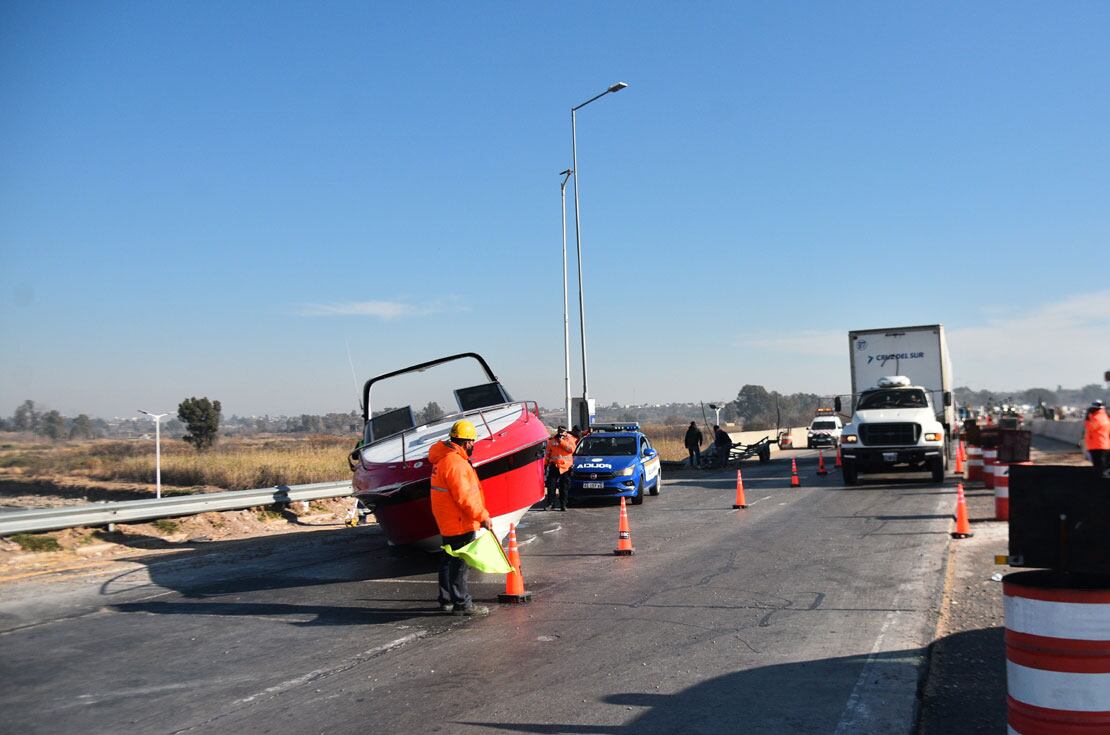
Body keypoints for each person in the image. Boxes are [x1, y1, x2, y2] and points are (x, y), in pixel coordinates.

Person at [429, 419, 493, 616]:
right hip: (459, 521)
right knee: (459, 564)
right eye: (473, 441)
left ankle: (446, 599)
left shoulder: (444, 459)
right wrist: (482, 516)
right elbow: (465, 497)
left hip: (448, 520)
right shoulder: (456, 464)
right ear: (466, 442)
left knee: (448, 559)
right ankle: (462, 604)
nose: (473, 445)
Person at [543, 424, 577, 511]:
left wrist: (561, 441)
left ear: (565, 432)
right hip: (554, 466)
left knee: (564, 487)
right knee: (551, 486)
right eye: (559, 432)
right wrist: (545, 464)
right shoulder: (552, 440)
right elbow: (547, 453)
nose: (561, 434)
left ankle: (563, 505)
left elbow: (571, 450)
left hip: (566, 467)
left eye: (562, 432)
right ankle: (550, 504)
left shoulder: (570, 438)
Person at [1083, 400, 1109, 479]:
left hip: (1098, 445)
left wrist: (1087, 419)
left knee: (1099, 464)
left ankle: (1101, 479)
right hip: (1100, 444)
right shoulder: (1104, 416)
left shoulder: (1098, 417)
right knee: (1102, 463)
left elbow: (1091, 427)